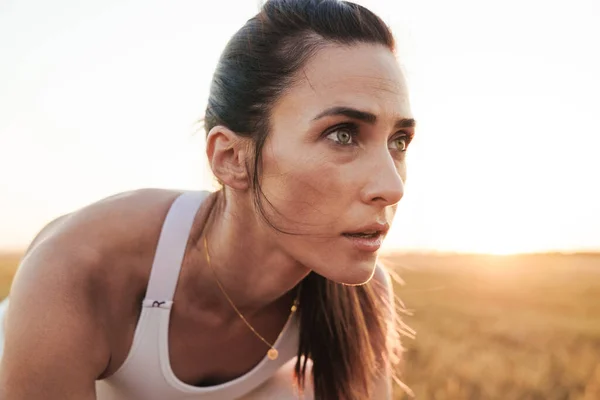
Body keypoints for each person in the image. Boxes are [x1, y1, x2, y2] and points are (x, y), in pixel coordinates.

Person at [0, 0, 415, 398]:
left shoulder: (359, 296)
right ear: (232, 158)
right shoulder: (78, 267)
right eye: (342, 134)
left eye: (399, 140)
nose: (392, 186)